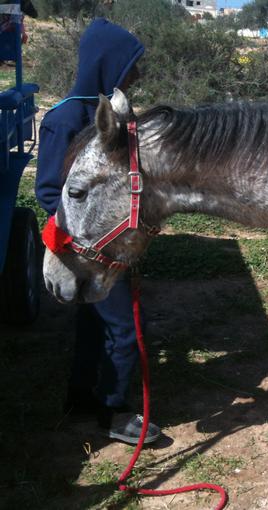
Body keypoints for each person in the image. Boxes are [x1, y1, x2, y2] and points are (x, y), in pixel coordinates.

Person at [36, 18, 160, 444]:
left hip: (103, 240)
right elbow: (49, 190)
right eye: (130, 65)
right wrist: (92, 231)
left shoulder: (110, 114)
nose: (137, 75)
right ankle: (113, 410)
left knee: (94, 325)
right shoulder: (66, 117)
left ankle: (79, 398)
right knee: (123, 326)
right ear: (107, 64)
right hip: (84, 248)